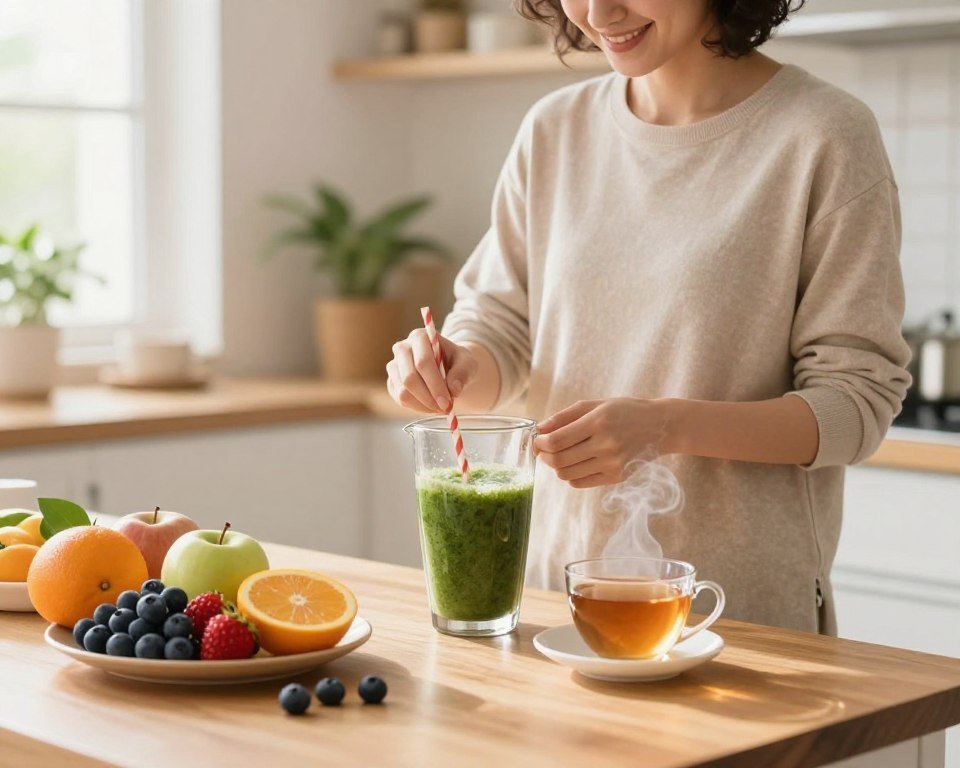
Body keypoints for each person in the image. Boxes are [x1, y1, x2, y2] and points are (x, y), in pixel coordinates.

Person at [385, 0, 911, 634]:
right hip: (554, 608)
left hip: (737, 624)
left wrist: (665, 426)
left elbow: (855, 407)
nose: (598, 11)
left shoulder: (824, 135)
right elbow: (501, 325)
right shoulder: (555, 129)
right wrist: (455, 368)